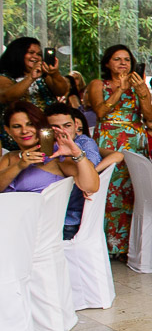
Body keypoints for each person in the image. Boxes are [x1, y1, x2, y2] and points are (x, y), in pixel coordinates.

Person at [84, 44, 152, 259]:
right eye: (117, 59)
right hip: (109, 140)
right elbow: (100, 111)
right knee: (109, 190)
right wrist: (120, 90)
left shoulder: (139, 85)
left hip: (134, 141)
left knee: (131, 191)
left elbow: (149, 116)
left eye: (126, 59)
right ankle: (106, 244)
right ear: (107, 63)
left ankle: (128, 246)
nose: (123, 63)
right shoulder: (99, 84)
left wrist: (143, 93)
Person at [0, 103, 100, 209]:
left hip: (43, 222)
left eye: (30, 124)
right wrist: (19, 166)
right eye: (16, 126)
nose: (24, 131)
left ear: (41, 126)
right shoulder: (10, 157)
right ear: (7, 130)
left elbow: (91, 187)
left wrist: (77, 154)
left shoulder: (56, 155)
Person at [45, 102, 107, 240]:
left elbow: (90, 174)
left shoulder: (83, 143)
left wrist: (75, 153)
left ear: (76, 125)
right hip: (39, 216)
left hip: (69, 219)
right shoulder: (42, 147)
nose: (62, 132)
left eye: (67, 126)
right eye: (55, 127)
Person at [0, 37, 70, 151]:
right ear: (18, 54)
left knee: (47, 161)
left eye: (39, 54)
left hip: (45, 135)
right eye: (31, 53)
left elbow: (61, 90)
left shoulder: (44, 76)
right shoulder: (4, 77)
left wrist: (54, 73)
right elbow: (7, 96)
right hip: (18, 137)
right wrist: (31, 77)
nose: (36, 57)